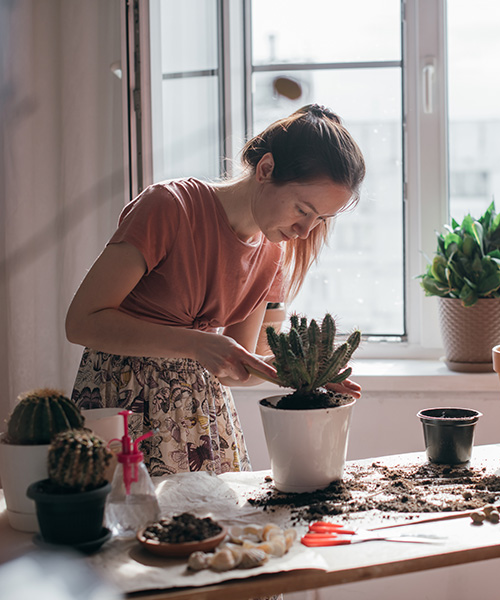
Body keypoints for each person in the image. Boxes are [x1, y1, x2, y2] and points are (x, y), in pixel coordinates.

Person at [66, 104, 366, 477]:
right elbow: (80, 322)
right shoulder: (169, 207)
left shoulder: (271, 255)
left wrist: (303, 376)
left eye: (319, 219)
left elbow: (234, 371)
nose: (305, 231)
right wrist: (195, 343)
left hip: (201, 418)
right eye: (302, 209)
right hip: (123, 403)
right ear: (266, 169)